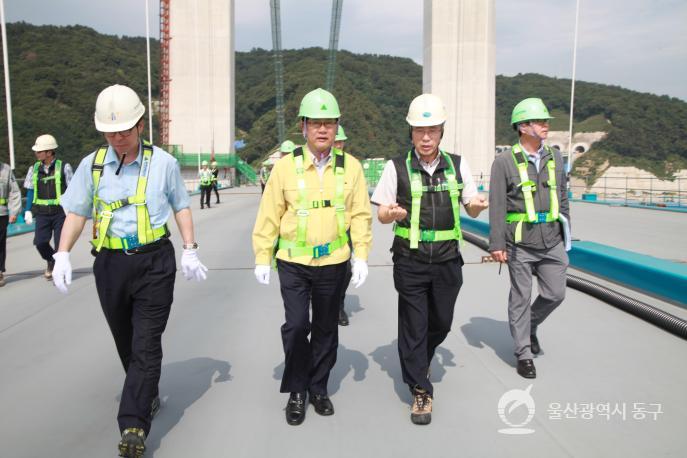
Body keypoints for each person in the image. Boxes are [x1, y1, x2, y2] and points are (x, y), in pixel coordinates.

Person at [51, 84, 208, 457]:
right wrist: (61, 254)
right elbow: (76, 213)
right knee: (125, 339)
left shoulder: (165, 164)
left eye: (124, 130)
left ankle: (134, 424)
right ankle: (147, 390)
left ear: (140, 125)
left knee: (145, 343)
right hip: (109, 264)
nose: (117, 138)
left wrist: (189, 249)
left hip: (154, 262)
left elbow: (181, 206)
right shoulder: (91, 166)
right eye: (109, 131)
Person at [252, 88, 372, 426]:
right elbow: (269, 215)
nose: (323, 130)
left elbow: (361, 214)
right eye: (315, 123)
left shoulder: (352, 168)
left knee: (324, 329)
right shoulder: (285, 169)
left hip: (334, 262)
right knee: (296, 326)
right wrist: (263, 255)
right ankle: (296, 390)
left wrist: (360, 255)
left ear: (336, 128)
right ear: (303, 127)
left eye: (329, 123)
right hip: (293, 262)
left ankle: (318, 387)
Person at [371, 93, 488, 425]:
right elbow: (381, 211)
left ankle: (418, 357)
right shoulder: (396, 168)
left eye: (432, 130)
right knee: (414, 323)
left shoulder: (457, 164)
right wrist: (388, 214)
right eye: (419, 131)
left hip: (449, 259)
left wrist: (478, 205)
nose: (426, 137)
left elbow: (471, 205)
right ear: (410, 132)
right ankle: (420, 389)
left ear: (441, 131)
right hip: (410, 259)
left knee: (442, 322)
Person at [488, 97, 570, 379]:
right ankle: (523, 353)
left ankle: (530, 325)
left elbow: (562, 197)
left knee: (556, 293)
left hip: (552, 240)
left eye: (546, 121)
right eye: (540, 121)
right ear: (523, 127)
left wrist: (566, 233)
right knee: (521, 297)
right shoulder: (503, 162)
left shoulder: (556, 157)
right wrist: (497, 244)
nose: (546, 126)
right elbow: (497, 205)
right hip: (520, 243)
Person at [23, 134, 73, 280]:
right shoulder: (34, 169)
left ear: (49, 152)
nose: (36, 153)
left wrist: (71, 210)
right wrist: (27, 210)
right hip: (42, 213)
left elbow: (72, 189)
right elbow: (30, 190)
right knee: (40, 242)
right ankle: (51, 260)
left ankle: (59, 268)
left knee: (60, 245)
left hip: (60, 213)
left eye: (39, 151)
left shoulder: (64, 167)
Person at [333, 125, 352, 326]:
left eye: (340, 141)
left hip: (347, 227)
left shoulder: (351, 166)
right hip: (322, 227)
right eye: (335, 141)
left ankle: (339, 304)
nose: (337, 145)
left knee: (346, 270)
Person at [0, 161, 22, 287]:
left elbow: (14, 192)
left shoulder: (6, 170)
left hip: (1, 213)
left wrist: (14, 211)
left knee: (0, 242)